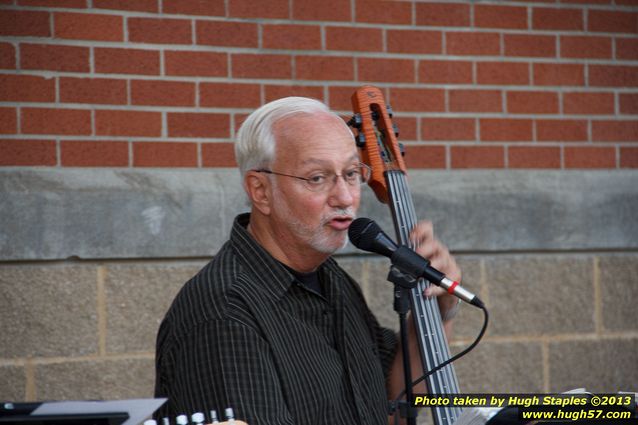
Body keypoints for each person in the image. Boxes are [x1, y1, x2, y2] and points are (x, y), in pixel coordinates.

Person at [154, 97, 461, 425]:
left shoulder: (331, 278)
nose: (345, 197)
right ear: (261, 191)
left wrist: (437, 311)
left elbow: (393, 404)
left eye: (352, 173)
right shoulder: (223, 313)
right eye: (317, 178)